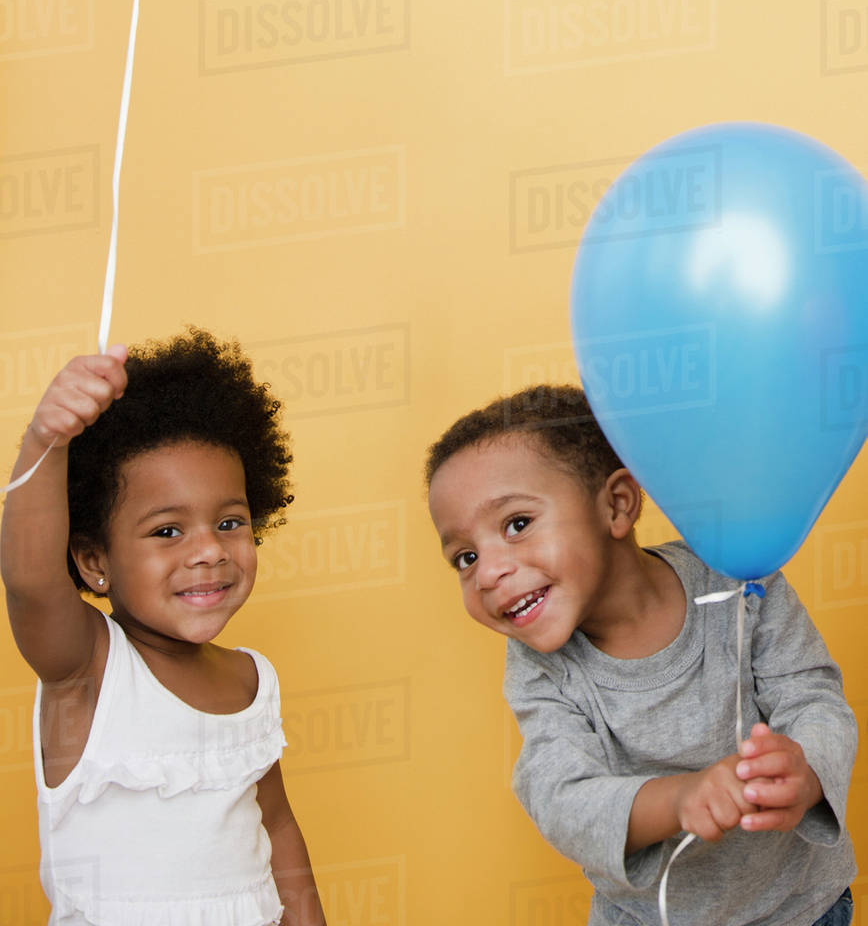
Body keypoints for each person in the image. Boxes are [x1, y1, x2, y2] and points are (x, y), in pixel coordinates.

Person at [425, 384, 856, 926]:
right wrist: (680, 799)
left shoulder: (739, 577)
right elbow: (560, 796)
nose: (488, 573)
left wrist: (806, 770)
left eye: (517, 524)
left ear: (617, 505)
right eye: (464, 557)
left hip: (799, 908)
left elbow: (812, 695)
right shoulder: (540, 666)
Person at [1, 328, 327, 926]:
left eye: (229, 522)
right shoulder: (87, 669)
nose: (208, 550)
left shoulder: (252, 679)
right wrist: (46, 440)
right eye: (167, 531)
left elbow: (276, 825)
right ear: (95, 561)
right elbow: (28, 580)